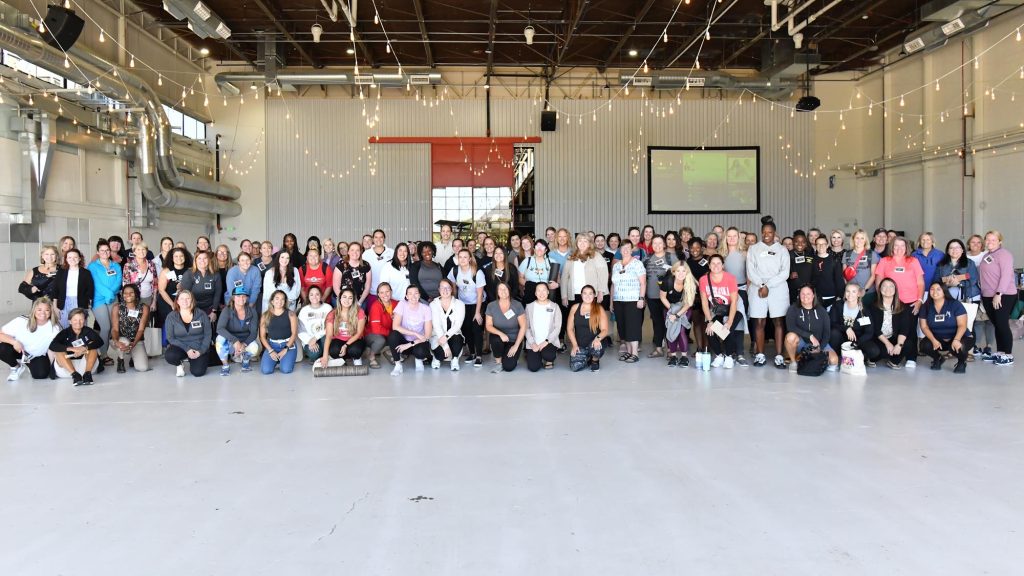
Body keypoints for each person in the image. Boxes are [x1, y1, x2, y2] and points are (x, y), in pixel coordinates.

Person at [747, 217, 790, 368]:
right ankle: (760, 355)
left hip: (777, 287)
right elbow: (750, 271)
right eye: (764, 232)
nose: (766, 234)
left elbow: (785, 272)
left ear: (774, 233)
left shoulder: (782, 249)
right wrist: (761, 284)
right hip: (757, 287)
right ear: (761, 232)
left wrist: (768, 285)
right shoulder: (754, 249)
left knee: (778, 321)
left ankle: (779, 355)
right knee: (759, 321)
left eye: (769, 232)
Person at [875, 236, 924, 368]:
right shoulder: (885, 261)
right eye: (896, 245)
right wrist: (880, 298)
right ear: (891, 247)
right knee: (895, 328)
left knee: (911, 330)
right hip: (890, 302)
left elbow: (920, 282)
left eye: (902, 246)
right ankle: (894, 353)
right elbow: (879, 281)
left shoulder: (913, 261)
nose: (899, 248)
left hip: (910, 301)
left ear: (906, 247)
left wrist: (920, 300)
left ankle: (911, 357)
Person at [937, 238, 987, 359]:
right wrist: (947, 284)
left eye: (958, 247)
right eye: (951, 248)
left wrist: (958, 283)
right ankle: (953, 350)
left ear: (962, 250)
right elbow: (937, 280)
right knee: (952, 324)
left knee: (969, 324)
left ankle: (968, 351)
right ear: (948, 251)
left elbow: (973, 280)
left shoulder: (969, 263)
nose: (955, 250)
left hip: (969, 297)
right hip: (949, 299)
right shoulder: (942, 264)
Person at [978, 230, 1016, 366]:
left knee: (1002, 323)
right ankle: (1000, 352)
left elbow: (1006, 275)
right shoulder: (986, 255)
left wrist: (999, 294)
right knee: (997, 324)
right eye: (987, 239)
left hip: (1003, 295)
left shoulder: (1004, 255)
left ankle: (1008, 354)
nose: (989, 242)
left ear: (1000, 241)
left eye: (993, 240)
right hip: (988, 295)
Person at [699, 255, 744, 368]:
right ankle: (719, 355)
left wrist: (729, 321)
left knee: (727, 329)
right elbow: (704, 302)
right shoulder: (704, 280)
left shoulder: (730, 278)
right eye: (713, 263)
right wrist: (709, 321)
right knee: (710, 330)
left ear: (723, 265)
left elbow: (734, 301)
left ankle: (728, 356)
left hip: (733, 309)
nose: (716, 266)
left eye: (718, 263)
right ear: (709, 265)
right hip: (716, 310)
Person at [1, 297, 62, 381]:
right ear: (34, 310)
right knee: (2, 348)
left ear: (51, 311)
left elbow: (54, 349)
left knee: (41, 375)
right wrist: (14, 342)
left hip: (35, 356)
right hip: (20, 351)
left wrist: (53, 366)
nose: (43, 313)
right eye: (39, 310)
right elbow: (1, 334)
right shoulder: (21, 321)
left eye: (47, 310)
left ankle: (29, 365)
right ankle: (16, 367)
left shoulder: (55, 328)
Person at [919, 282, 973, 373]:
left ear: (944, 291)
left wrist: (956, 339)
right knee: (924, 345)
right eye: (932, 289)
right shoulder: (926, 306)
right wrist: (933, 340)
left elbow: (962, 325)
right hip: (939, 339)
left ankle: (961, 362)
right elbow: (924, 326)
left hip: (959, 336)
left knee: (960, 347)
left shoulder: (955, 304)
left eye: (938, 289)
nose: (935, 291)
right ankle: (938, 358)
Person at [784, 285, 839, 372]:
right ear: (799, 295)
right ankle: (793, 362)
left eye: (808, 294)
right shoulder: (793, 309)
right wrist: (809, 336)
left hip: (818, 344)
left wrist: (820, 348)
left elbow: (826, 333)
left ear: (813, 295)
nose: (805, 296)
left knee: (834, 361)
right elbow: (791, 327)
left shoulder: (822, 311)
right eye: (803, 294)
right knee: (790, 337)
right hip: (801, 343)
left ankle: (808, 359)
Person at [642, 236, 678, 359]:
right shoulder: (647, 259)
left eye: (659, 243)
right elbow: (643, 278)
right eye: (654, 243)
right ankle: (658, 348)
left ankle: (670, 349)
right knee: (657, 323)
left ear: (664, 244)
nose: (657, 245)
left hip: (669, 297)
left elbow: (680, 273)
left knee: (669, 322)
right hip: (652, 296)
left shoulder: (671, 257)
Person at [611, 238, 646, 363]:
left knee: (633, 326)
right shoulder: (616, 266)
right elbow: (613, 285)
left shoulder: (637, 264)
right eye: (623, 248)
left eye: (628, 248)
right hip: (618, 300)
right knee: (622, 326)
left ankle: (634, 353)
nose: (625, 250)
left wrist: (641, 298)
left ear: (632, 249)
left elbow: (643, 283)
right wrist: (611, 302)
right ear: (620, 250)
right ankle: (628, 351)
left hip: (633, 300)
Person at [87, 239, 122, 364]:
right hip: (99, 299)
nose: (105, 252)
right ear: (98, 252)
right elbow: (96, 283)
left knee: (113, 326)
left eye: (107, 250)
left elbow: (118, 282)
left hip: (113, 298)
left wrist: (111, 294)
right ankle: (103, 355)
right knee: (105, 327)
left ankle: (103, 353)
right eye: (102, 250)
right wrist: (108, 295)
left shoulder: (116, 265)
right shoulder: (92, 266)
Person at [449, 249, 487, 366]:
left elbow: (480, 294)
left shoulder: (477, 272)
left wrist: (477, 313)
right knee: (466, 329)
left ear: (470, 258)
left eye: (465, 257)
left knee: (476, 329)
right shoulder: (454, 270)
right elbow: (453, 288)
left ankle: (479, 355)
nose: (463, 259)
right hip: (463, 304)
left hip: (477, 303)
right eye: (460, 257)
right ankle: (472, 353)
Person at [828, 283, 880, 365]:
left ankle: (855, 358)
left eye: (853, 292)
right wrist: (846, 328)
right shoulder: (838, 305)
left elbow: (869, 332)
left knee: (874, 351)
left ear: (859, 294)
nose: (850, 294)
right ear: (845, 293)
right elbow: (832, 323)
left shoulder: (864, 310)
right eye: (847, 291)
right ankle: (839, 357)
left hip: (858, 340)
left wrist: (856, 343)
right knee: (833, 333)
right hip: (841, 338)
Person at [164, 290, 212, 378]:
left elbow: (208, 335)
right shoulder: (171, 316)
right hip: (181, 346)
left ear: (192, 300)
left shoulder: (201, 314)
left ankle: (194, 359)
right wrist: (187, 349)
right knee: (170, 355)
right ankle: (179, 365)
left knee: (198, 372)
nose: (185, 301)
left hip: (198, 347)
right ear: (177, 301)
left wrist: (200, 351)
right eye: (181, 298)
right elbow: (170, 338)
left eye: (188, 298)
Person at [49, 307, 103, 385]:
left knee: (93, 348)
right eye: (75, 320)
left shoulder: (88, 331)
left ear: (84, 320)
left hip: (86, 367)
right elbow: (52, 345)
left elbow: (100, 341)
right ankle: (75, 376)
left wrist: (85, 348)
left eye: (81, 319)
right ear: (70, 321)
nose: (78, 322)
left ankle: (87, 375)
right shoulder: (64, 332)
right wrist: (73, 349)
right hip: (67, 368)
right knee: (59, 352)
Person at [869, 278, 914, 370]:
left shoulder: (903, 307)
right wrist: (887, 343)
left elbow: (904, 328)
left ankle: (893, 361)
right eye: (884, 286)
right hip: (879, 338)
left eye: (891, 286)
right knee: (878, 351)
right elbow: (875, 329)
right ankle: (871, 359)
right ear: (880, 289)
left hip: (894, 337)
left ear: (895, 290)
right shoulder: (873, 306)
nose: (887, 289)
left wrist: (899, 345)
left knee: (908, 344)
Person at [388, 285, 433, 375]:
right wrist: (415, 333)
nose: (413, 296)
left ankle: (418, 359)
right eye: (410, 294)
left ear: (419, 295)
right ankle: (398, 365)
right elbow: (395, 326)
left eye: (416, 293)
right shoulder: (402, 304)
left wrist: (410, 344)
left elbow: (427, 335)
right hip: (405, 341)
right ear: (406, 296)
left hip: (418, 342)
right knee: (393, 335)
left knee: (421, 352)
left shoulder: (426, 309)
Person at [561, 233, 608, 317]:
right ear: (576, 243)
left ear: (589, 243)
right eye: (580, 241)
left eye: (585, 241)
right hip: (574, 294)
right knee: (575, 319)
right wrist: (564, 295)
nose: (582, 243)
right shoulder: (571, 257)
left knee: (592, 319)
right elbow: (564, 277)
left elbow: (603, 275)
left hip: (591, 295)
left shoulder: (596, 256)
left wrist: (601, 292)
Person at [660, 261, 697, 367]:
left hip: (685, 308)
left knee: (681, 331)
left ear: (687, 272)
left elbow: (689, 302)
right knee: (671, 330)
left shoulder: (690, 283)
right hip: (669, 308)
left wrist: (677, 315)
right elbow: (662, 297)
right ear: (674, 272)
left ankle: (685, 357)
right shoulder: (667, 281)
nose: (681, 273)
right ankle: (673, 356)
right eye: (678, 271)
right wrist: (672, 311)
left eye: (683, 271)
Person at [216, 286, 260, 374]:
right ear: (233, 298)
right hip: (231, 342)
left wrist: (244, 344)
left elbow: (253, 332)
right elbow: (220, 329)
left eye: (244, 296)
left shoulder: (252, 311)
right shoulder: (227, 310)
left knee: (255, 348)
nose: (241, 298)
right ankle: (225, 365)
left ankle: (245, 359)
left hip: (245, 341)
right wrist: (235, 341)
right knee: (219, 339)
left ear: (247, 298)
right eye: (238, 296)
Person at [318, 288, 367, 368]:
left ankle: (356, 358)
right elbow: (329, 336)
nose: (347, 300)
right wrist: (325, 356)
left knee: (355, 350)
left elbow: (359, 333)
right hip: (339, 339)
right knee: (334, 351)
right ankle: (343, 359)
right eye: (344, 297)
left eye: (350, 298)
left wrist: (346, 345)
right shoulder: (332, 314)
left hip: (355, 340)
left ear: (353, 300)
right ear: (340, 298)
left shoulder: (360, 312)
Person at [484, 282, 526, 373]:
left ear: (509, 291)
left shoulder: (517, 305)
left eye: (505, 289)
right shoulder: (491, 306)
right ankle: (498, 362)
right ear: (497, 292)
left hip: (514, 339)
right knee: (495, 339)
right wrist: (501, 333)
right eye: (500, 289)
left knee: (509, 367)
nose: (503, 291)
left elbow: (523, 327)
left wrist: (516, 346)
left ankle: (510, 357)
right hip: (499, 338)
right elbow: (488, 326)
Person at [109, 283, 151, 374]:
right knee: (125, 342)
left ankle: (133, 356)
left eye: (131, 292)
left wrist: (133, 344)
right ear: (122, 295)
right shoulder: (117, 307)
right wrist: (116, 341)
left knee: (143, 368)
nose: (128, 295)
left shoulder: (144, 308)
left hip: (136, 341)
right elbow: (115, 329)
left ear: (136, 294)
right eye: (125, 293)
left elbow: (141, 329)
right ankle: (121, 359)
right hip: (120, 340)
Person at [566, 285, 609, 372]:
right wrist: (574, 345)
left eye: (590, 294)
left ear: (594, 295)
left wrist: (597, 339)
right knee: (575, 367)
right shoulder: (575, 308)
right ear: (581, 295)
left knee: (596, 350)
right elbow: (569, 329)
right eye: (585, 293)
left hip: (595, 343)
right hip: (580, 344)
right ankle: (586, 357)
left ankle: (594, 360)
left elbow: (605, 330)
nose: (587, 296)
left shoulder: (599, 309)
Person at [524, 282, 562, 371]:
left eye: (544, 290)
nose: (541, 293)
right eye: (539, 291)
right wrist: (532, 343)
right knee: (533, 368)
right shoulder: (529, 307)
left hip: (549, 342)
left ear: (548, 292)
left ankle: (549, 359)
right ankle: (535, 356)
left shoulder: (555, 306)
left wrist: (546, 342)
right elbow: (526, 327)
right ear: (535, 293)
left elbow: (557, 327)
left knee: (548, 355)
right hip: (534, 342)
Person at [429, 279, 466, 371]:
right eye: (442, 288)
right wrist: (445, 346)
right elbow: (436, 326)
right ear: (439, 289)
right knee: (441, 355)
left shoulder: (460, 304)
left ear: (452, 289)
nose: (445, 290)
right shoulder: (433, 304)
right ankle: (437, 357)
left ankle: (455, 359)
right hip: (438, 336)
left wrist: (446, 337)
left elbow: (458, 325)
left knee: (457, 339)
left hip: (453, 335)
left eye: (448, 288)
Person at [259, 290, 298, 375]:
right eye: (277, 298)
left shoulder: (291, 314)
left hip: (288, 345)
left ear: (285, 302)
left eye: (282, 299)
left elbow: (294, 334)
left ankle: (284, 359)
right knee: (266, 370)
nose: (279, 301)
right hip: (272, 345)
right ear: (272, 301)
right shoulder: (265, 316)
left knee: (286, 370)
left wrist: (285, 349)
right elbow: (262, 336)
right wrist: (270, 350)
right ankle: (276, 360)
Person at [180, 250, 223, 324]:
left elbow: (217, 294)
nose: (202, 260)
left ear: (208, 260)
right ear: (195, 260)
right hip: (193, 309)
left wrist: (214, 311)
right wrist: (190, 312)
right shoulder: (188, 274)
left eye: (205, 258)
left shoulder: (215, 274)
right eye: (199, 258)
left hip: (210, 309)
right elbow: (185, 295)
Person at [686, 238, 711, 352]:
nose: (695, 250)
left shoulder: (708, 260)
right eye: (692, 248)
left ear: (702, 248)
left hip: (707, 296)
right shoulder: (688, 263)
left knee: (706, 323)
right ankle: (699, 348)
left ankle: (707, 348)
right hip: (694, 297)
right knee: (696, 323)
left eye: (697, 247)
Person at [841, 229, 879, 303]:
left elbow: (873, 275)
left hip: (868, 293)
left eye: (862, 238)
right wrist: (849, 290)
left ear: (865, 240)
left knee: (867, 313)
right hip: (851, 294)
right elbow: (844, 275)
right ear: (853, 239)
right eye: (857, 238)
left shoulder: (871, 254)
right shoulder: (846, 254)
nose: (859, 240)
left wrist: (864, 290)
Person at [297, 285, 330, 366]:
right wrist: (310, 340)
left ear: (321, 295)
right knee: (314, 354)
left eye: (317, 294)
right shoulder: (304, 311)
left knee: (326, 337)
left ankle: (326, 356)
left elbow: (330, 328)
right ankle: (318, 357)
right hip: (310, 339)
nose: (314, 297)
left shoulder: (327, 308)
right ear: (308, 296)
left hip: (323, 338)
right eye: (311, 294)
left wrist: (316, 337)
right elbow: (300, 330)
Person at [157, 247, 189, 330]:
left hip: (185, 302)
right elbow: (161, 290)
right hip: (167, 302)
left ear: (185, 257)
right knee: (169, 325)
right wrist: (172, 304)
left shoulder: (189, 271)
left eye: (181, 256)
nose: (179, 258)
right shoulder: (167, 271)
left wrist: (183, 287)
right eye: (176, 256)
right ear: (172, 258)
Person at [365, 283, 396, 369]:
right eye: (381, 292)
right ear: (378, 294)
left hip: (386, 332)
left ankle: (389, 352)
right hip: (372, 334)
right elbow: (376, 329)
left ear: (391, 292)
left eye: (387, 291)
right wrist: (391, 334)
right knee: (380, 340)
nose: (385, 295)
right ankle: (371, 356)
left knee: (400, 335)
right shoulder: (376, 306)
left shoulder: (396, 303)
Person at [333, 242, 372, 308]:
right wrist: (345, 302)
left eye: (357, 250)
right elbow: (336, 286)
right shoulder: (340, 265)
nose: (355, 252)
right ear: (348, 252)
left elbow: (367, 287)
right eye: (352, 250)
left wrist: (359, 303)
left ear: (361, 252)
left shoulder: (366, 265)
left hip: (360, 300)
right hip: (342, 300)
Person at [518, 239, 557, 305]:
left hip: (547, 294)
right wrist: (530, 285)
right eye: (537, 247)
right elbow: (520, 278)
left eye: (542, 247)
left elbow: (557, 279)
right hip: (530, 293)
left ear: (546, 250)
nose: (539, 249)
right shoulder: (527, 260)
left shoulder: (552, 261)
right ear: (534, 249)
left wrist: (556, 284)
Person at [122, 242, 159, 309]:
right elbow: (125, 285)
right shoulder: (128, 265)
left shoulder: (151, 264)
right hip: (134, 299)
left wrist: (154, 301)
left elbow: (155, 284)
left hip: (149, 297)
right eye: (138, 249)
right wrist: (129, 302)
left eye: (143, 249)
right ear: (134, 252)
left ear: (147, 251)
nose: (141, 252)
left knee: (147, 318)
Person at [811, 235, 844, 309]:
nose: (821, 246)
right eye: (818, 244)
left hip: (832, 296)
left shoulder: (834, 260)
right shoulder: (812, 260)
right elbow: (811, 279)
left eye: (823, 244)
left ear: (827, 245)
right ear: (815, 246)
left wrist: (840, 296)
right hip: (817, 297)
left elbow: (839, 280)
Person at [365, 229, 395, 306]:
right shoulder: (366, 254)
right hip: (372, 292)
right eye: (376, 237)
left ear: (384, 239)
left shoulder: (392, 252)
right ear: (373, 239)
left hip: (388, 293)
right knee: (373, 315)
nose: (378, 239)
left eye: (381, 237)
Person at [787, 231, 814, 303]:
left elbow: (813, 272)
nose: (800, 244)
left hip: (807, 292)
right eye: (797, 242)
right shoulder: (787, 255)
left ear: (806, 244)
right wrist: (789, 276)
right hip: (792, 291)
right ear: (793, 242)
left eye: (803, 242)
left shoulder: (809, 255)